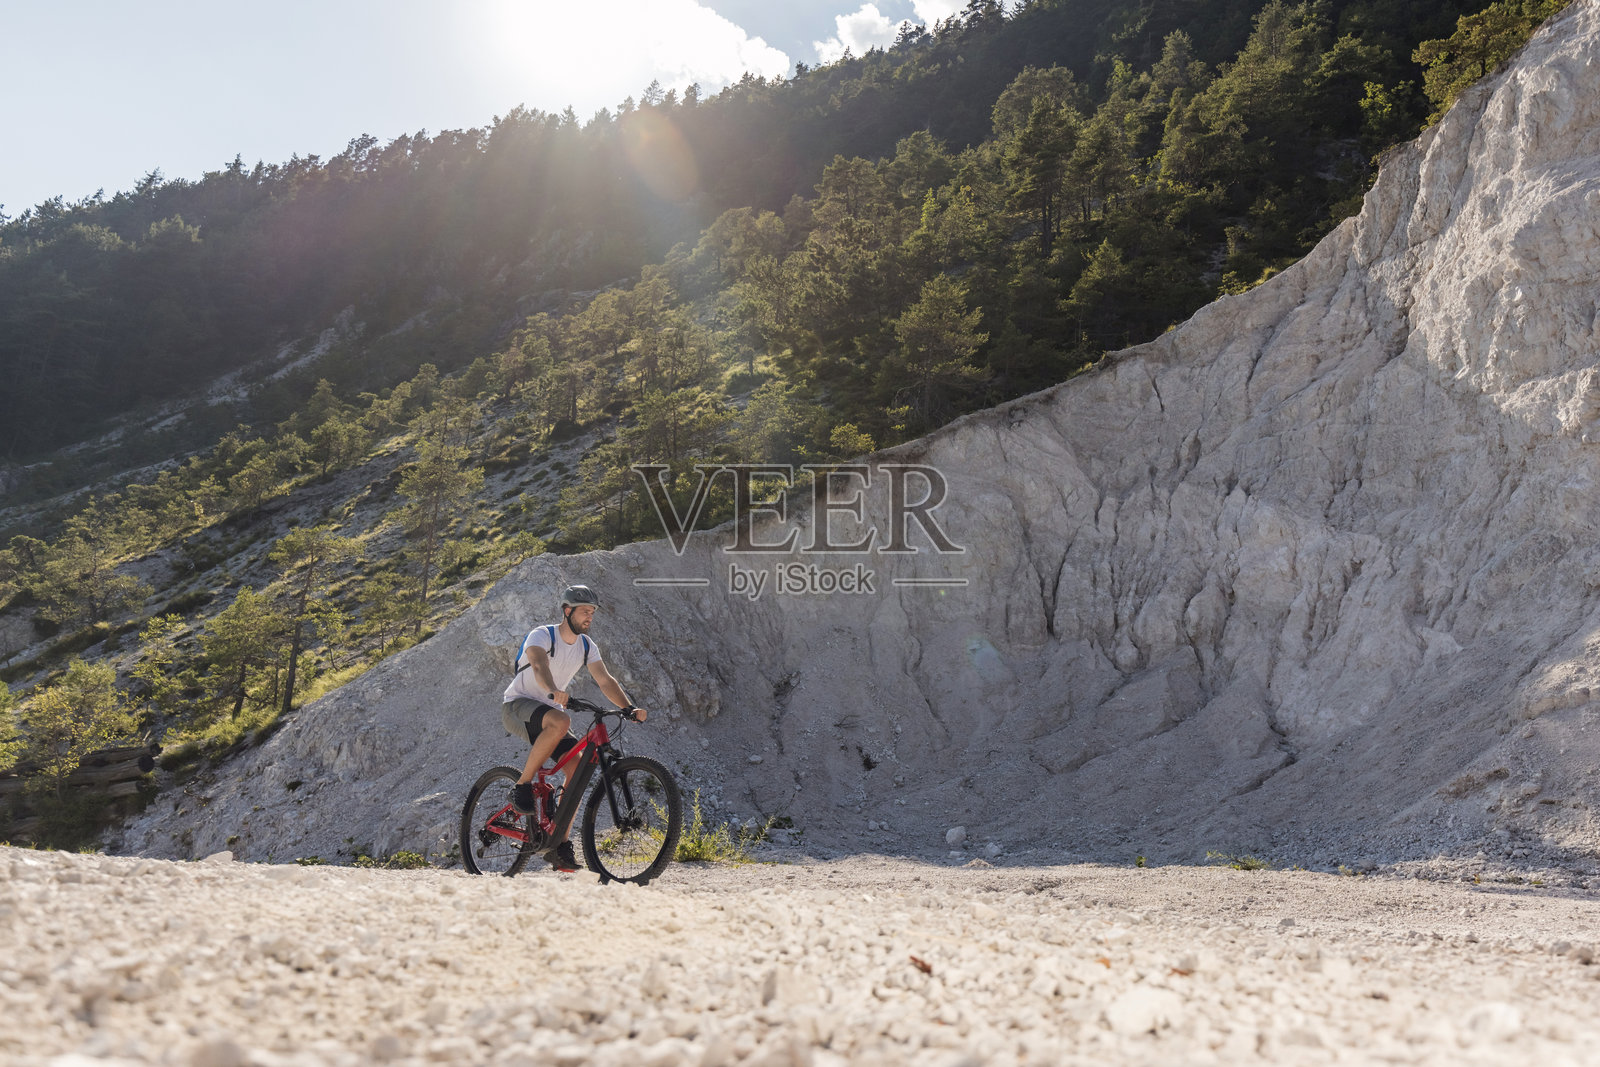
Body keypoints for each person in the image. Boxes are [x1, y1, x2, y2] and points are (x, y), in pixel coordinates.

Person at [501, 584, 647, 872]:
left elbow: (605, 680)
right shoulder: (542, 635)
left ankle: (559, 845)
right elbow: (539, 665)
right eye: (584, 611)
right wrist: (553, 690)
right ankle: (521, 786)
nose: (589, 616)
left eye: (592, 612)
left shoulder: (586, 646)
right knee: (561, 720)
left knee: (578, 771)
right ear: (567, 611)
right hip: (518, 706)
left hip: (549, 714)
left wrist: (628, 708)